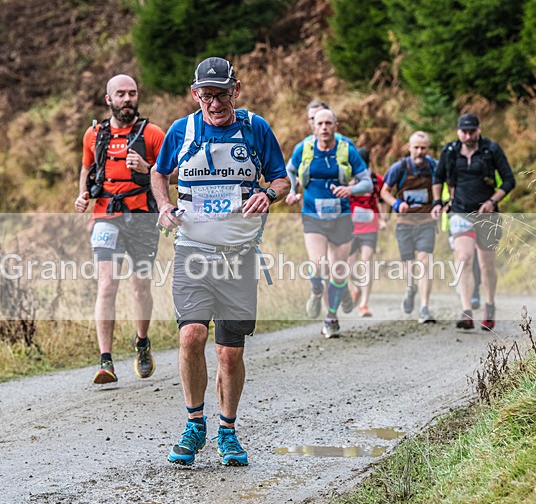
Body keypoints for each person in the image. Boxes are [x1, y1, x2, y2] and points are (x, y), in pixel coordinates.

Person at [151, 57, 289, 467]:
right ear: (195, 94)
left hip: (238, 259)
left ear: (237, 90)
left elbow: (281, 178)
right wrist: (162, 206)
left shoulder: (255, 128)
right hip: (192, 252)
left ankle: (228, 431)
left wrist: (269, 193)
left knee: (230, 353)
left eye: (222, 94)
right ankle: (195, 424)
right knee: (191, 335)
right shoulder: (182, 130)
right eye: (206, 95)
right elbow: (160, 174)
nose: (214, 103)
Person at [74, 74, 165, 384]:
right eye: (121, 94)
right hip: (105, 216)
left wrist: (148, 169)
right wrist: (82, 194)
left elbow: (173, 173)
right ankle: (106, 361)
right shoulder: (94, 134)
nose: (128, 99)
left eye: (132, 93)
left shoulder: (152, 134)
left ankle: (142, 342)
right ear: (108, 100)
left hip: (141, 218)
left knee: (140, 287)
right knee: (107, 284)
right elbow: (87, 167)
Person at [285, 109, 372, 338]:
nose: (324, 127)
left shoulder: (346, 150)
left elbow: (367, 183)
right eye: (320, 123)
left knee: (339, 270)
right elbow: (290, 170)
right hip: (313, 214)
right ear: (313, 126)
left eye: (328, 123)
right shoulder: (304, 149)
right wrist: (293, 190)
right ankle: (316, 289)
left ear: (335, 125)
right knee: (318, 264)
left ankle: (331, 317)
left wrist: (350, 189)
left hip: (341, 216)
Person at [431, 113, 515, 330]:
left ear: (479, 129)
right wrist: (437, 202)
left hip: (486, 213)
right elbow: (437, 178)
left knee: (486, 265)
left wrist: (491, 202)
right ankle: (466, 311)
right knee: (464, 257)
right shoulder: (450, 152)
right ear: (458, 131)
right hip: (459, 212)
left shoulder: (491, 150)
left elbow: (509, 180)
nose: (467, 136)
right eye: (464, 132)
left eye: (472, 131)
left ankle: (489, 305)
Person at [380, 131, 439, 324]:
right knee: (409, 266)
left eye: (423, 148)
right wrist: (397, 204)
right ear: (409, 147)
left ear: (428, 148)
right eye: (416, 147)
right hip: (405, 223)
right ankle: (410, 286)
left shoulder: (434, 167)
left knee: (424, 261)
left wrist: (441, 204)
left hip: (426, 222)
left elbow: (446, 185)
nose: (420, 151)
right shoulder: (399, 168)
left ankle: (424, 307)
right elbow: (384, 192)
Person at [347, 147, 387, 317]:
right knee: (349, 267)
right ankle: (356, 287)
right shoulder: (347, 179)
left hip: (370, 227)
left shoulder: (376, 180)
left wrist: (384, 218)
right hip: (349, 227)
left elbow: (383, 199)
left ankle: (364, 304)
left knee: (366, 261)